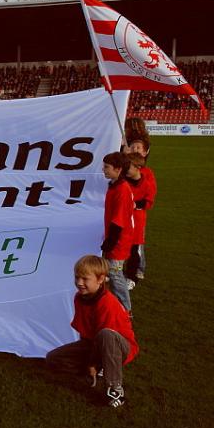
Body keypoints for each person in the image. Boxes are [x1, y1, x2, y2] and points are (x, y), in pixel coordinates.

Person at [46, 255, 138, 408]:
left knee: (106, 334)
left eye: (85, 279)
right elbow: (85, 332)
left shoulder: (107, 302)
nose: (79, 283)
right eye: (77, 277)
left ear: (100, 279)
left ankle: (115, 389)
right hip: (94, 343)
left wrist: (92, 362)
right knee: (53, 359)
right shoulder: (79, 298)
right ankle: (96, 370)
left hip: (118, 347)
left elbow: (106, 336)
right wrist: (88, 360)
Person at [101, 152, 135, 312]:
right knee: (112, 273)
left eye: (107, 167)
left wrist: (111, 242)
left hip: (119, 241)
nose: (103, 170)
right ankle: (115, 305)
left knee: (115, 275)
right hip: (114, 238)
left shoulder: (122, 190)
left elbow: (119, 220)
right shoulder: (114, 185)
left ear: (118, 169)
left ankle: (126, 310)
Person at [125, 151, 156, 282]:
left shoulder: (146, 184)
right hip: (123, 220)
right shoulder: (123, 182)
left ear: (138, 167)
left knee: (134, 250)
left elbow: (148, 202)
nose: (125, 170)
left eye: (128, 167)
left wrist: (134, 204)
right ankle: (115, 271)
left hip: (137, 221)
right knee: (119, 247)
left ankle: (132, 278)